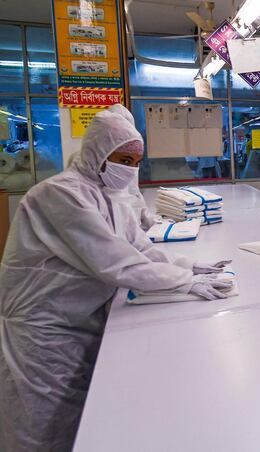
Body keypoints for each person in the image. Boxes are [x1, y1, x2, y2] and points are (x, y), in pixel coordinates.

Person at [0, 109, 232, 452]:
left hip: (79, 317)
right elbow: (115, 262)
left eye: (136, 161)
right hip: (42, 326)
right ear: (97, 152)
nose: (130, 168)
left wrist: (190, 265)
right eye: (123, 159)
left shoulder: (112, 195)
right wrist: (182, 282)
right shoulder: (60, 194)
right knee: (42, 424)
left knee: (74, 416)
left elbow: (137, 246)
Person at [107, 104, 159, 230]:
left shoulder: (129, 159)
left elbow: (134, 191)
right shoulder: (97, 159)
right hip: (110, 227)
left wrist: (147, 219)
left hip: (132, 226)